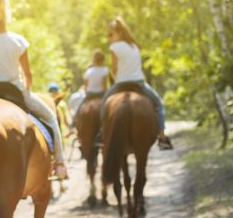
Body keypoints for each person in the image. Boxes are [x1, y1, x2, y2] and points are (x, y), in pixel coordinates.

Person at [0, 0, 69, 179]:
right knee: (50, 117)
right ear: (7, 10)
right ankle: (59, 164)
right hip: (16, 92)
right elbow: (28, 76)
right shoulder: (18, 41)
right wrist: (27, 91)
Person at [100, 17, 173, 150]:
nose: (109, 37)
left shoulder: (114, 47)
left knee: (104, 104)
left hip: (120, 84)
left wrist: (117, 77)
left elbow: (114, 69)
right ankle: (162, 136)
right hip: (139, 83)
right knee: (159, 104)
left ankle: (101, 134)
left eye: (110, 34)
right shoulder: (134, 46)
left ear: (119, 33)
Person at [74, 50, 110, 118]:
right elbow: (104, 85)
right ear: (103, 60)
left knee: (80, 107)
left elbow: (86, 86)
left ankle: (73, 123)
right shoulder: (105, 70)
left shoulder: (89, 71)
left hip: (90, 94)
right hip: (101, 94)